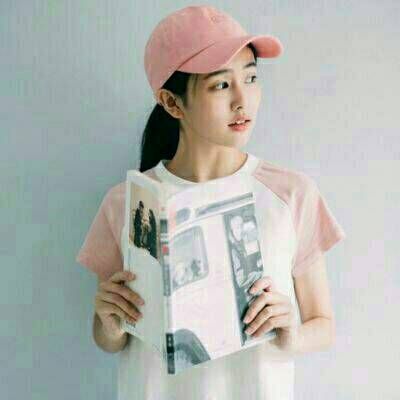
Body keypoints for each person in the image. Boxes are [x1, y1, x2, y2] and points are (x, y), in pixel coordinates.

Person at [75, 5, 346, 400]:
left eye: (250, 78)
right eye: (221, 85)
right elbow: (110, 340)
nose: (243, 99)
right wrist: (110, 321)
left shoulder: (291, 193)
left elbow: (324, 324)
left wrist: (291, 334)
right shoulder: (129, 203)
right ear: (172, 103)